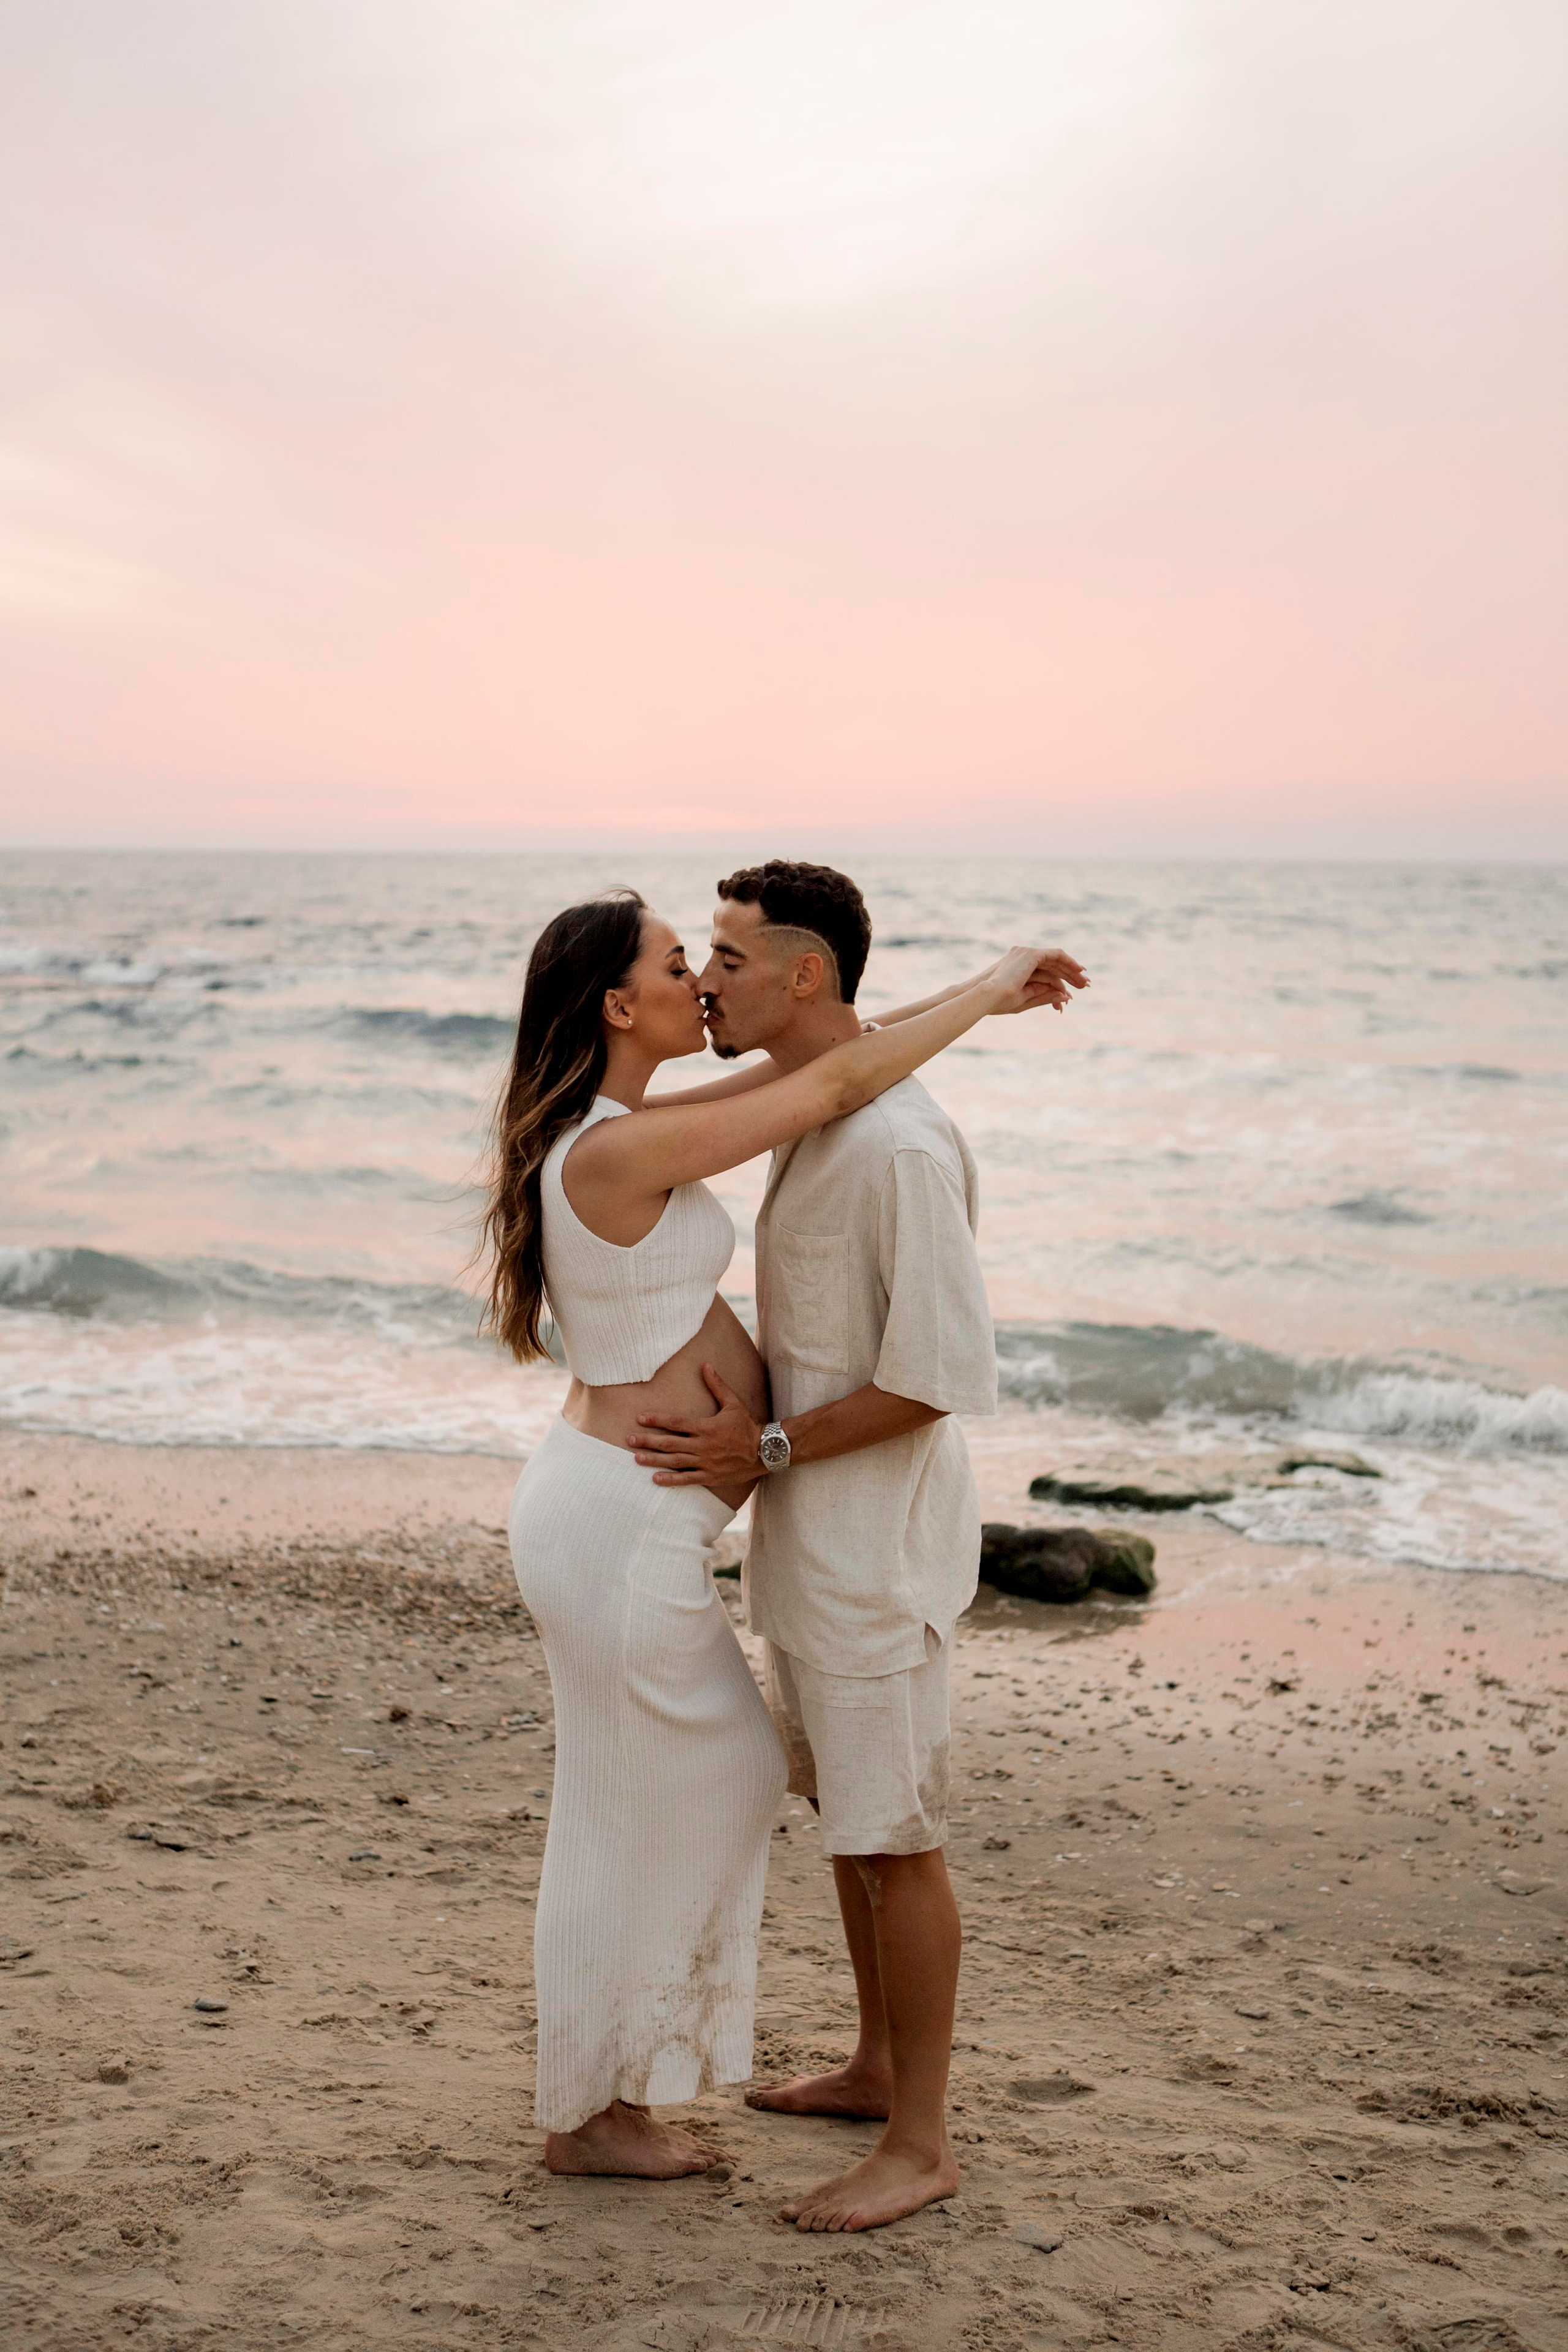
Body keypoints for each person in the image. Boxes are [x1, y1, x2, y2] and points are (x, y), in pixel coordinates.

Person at [480, 886, 1077, 2184]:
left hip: (627, 1522)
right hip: (619, 1527)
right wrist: (985, 990)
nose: (699, 978)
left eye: (719, 957)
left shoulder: (634, 1126)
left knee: (623, 1808)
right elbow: (825, 1079)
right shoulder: (617, 1147)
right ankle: (601, 2102)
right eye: (678, 960)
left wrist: (974, 989)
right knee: (703, 1791)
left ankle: (605, 2099)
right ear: (617, 1006)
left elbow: (836, 1062)